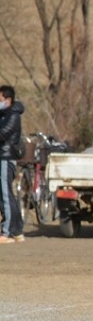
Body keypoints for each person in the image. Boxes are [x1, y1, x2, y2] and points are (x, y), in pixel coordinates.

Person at [0, 85, 25, 243]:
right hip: (2, 156)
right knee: (5, 195)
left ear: (8, 100)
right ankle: (16, 231)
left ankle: (7, 232)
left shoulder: (13, 116)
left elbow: (2, 134)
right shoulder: (4, 114)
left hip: (6, 157)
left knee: (6, 195)